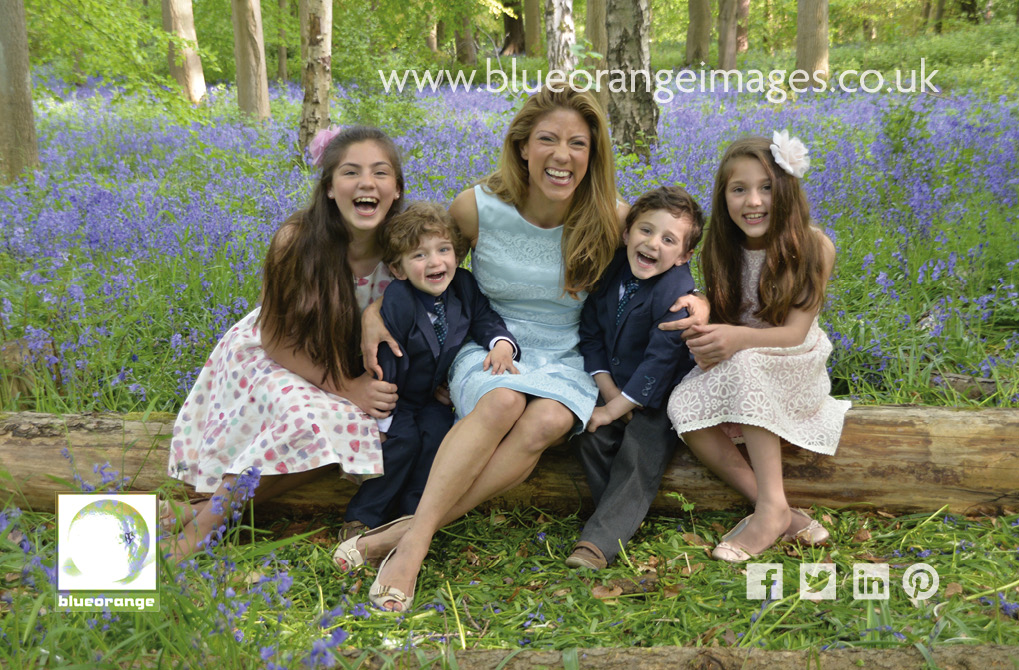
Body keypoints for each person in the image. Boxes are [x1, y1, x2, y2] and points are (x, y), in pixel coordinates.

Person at [349, 87, 707, 611]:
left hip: (569, 353)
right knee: (503, 402)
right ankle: (414, 546)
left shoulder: (611, 215)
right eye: (547, 140)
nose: (562, 156)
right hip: (491, 341)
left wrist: (698, 299)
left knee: (547, 422)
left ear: (593, 154)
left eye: (577, 144)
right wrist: (372, 312)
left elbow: (663, 264)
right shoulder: (475, 208)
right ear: (521, 146)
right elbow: (426, 268)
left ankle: (403, 533)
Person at [163, 126, 405, 559]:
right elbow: (274, 339)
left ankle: (198, 512)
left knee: (367, 437)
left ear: (397, 189)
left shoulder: (405, 248)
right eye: (351, 172)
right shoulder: (298, 240)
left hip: (341, 362)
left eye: (380, 172)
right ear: (330, 188)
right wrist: (347, 389)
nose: (367, 183)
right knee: (306, 417)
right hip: (276, 354)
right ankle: (201, 530)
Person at [667, 131, 851, 563]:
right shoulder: (722, 248)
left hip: (795, 363)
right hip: (744, 356)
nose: (754, 201)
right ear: (724, 197)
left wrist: (736, 341)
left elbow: (793, 334)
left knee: (748, 362)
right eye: (739, 189)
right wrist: (707, 335)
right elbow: (730, 321)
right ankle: (777, 510)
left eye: (766, 187)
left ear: (786, 189)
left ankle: (768, 509)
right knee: (683, 407)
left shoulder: (814, 246)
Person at [333, 202, 520, 569]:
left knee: (436, 441)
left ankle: (410, 518)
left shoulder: (464, 287)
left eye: (443, 250)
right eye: (419, 255)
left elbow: (485, 319)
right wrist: (381, 416)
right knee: (404, 443)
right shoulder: (400, 300)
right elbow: (385, 356)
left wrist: (501, 343)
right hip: (396, 396)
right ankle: (363, 516)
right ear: (398, 269)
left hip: (433, 398)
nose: (435, 262)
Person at [567, 186, 704, 570]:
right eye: (645, 231)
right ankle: (620, 515)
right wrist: (608, 395)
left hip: (659, 394)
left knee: (640, 449)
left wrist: (619, 408)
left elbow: (662, 360)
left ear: (684, 256)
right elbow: (591, 331)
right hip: (615, 385)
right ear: (626, 234)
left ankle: (597, 544)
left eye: (668, 239)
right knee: (590, 436)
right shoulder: (612, 270)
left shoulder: (676, 289)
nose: (652, 244)